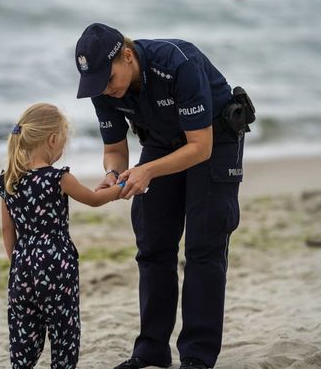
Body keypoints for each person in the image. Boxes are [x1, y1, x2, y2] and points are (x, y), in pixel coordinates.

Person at [74, 23, 250, 369]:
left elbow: (200, 147)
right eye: (97, 84)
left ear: (127, 56)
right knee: (153, 244)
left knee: (204, 245)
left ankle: (197, 356)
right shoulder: (102, 86)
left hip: (215, 139)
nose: (105, 90)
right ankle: (152, 349)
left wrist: (148, 170)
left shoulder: (178, 64)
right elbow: (114, 148)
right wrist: (113, 172)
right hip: (160, 140)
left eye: (109, 80)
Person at [0, 102, 124, 369]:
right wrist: (122, 186)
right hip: (56, 264)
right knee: (63, 327)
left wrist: (17, 262)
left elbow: (7, 230)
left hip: (22, 265)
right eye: (62, 143)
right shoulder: (59, 178)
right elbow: (94, 200)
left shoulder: (8, 180)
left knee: (24, 328)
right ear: (52, 139)